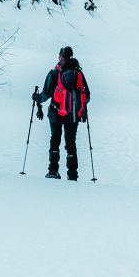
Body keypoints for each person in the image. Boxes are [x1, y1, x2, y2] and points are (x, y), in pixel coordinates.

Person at [33, 45, 90, 180]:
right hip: (73, 115)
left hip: (55, 113)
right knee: (71, 143)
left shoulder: (54, 73)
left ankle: (53, 171)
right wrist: (79, 107)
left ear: (60, 57)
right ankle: (72, 175)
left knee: (55, 141)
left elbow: (46, 94)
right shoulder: (79, 74)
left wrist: (37, 98)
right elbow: (87, 95)